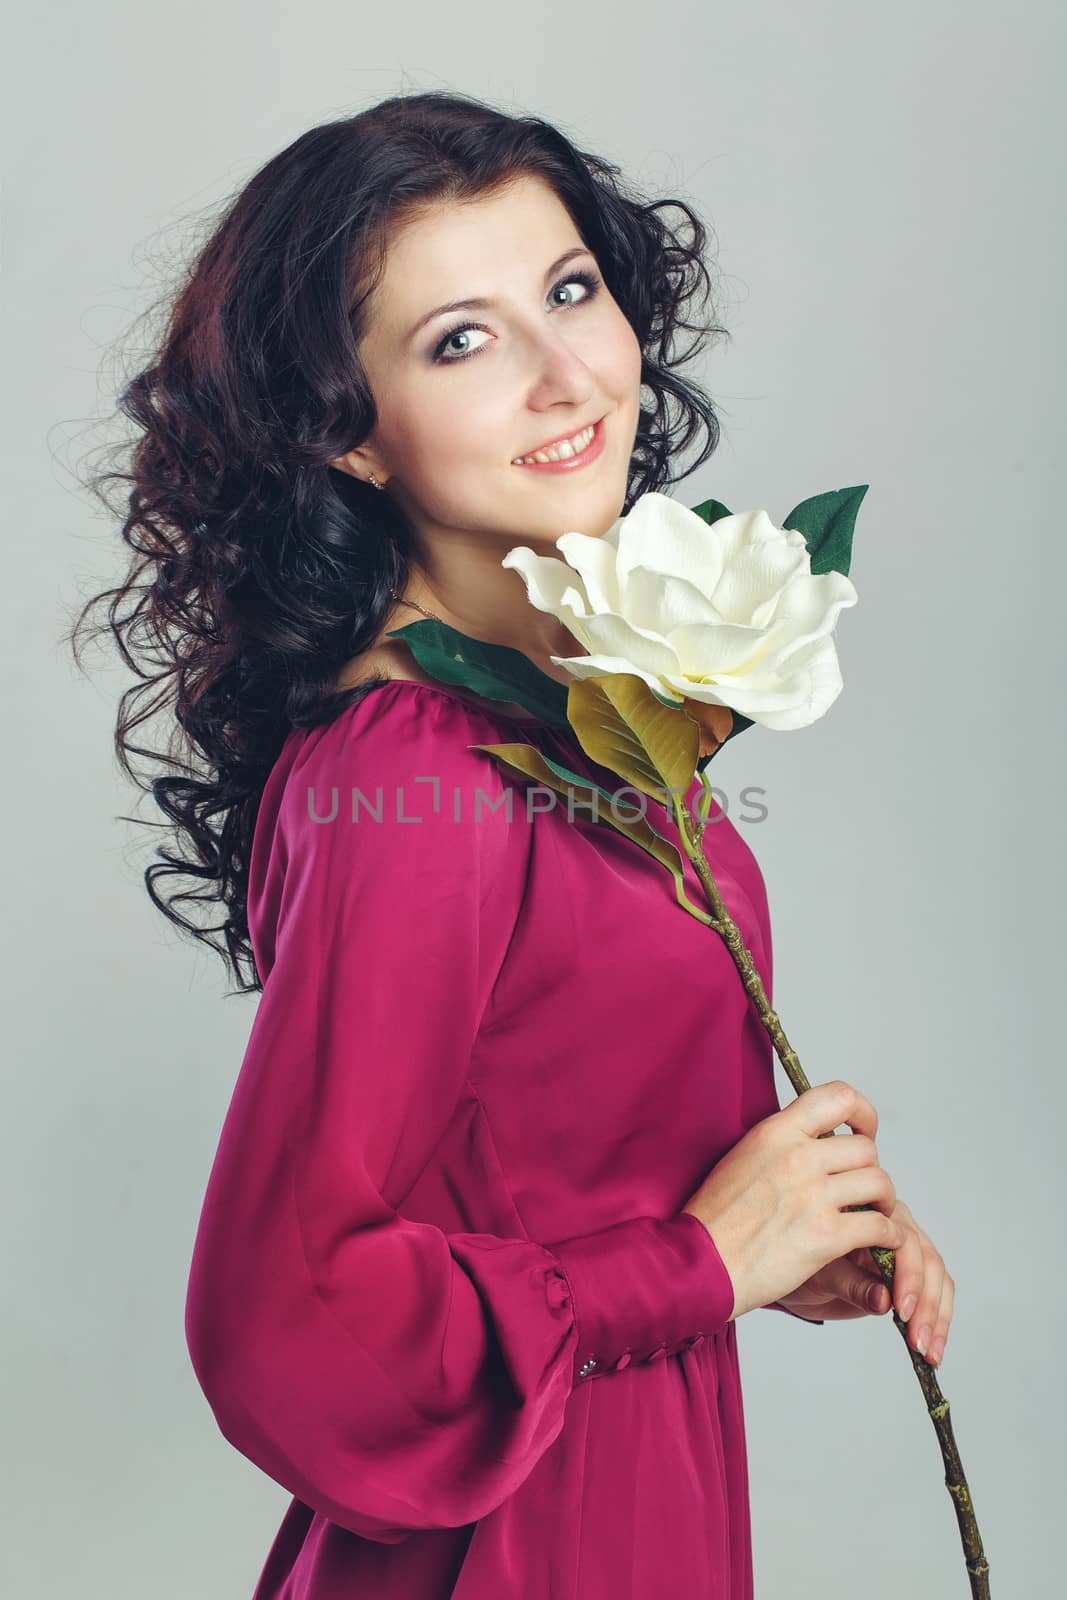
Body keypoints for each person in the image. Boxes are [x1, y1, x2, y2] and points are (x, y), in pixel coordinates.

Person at [71, 91, 954, 1599]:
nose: (566, 377)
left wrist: (767, 1231)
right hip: (513, 1547)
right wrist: (693, 1265)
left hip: (628, 1481)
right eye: (460, 340)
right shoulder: (413, 769)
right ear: (347, 434)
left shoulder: (564, 719)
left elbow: (531, 1141)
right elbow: (283, 1313)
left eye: (569, 291)